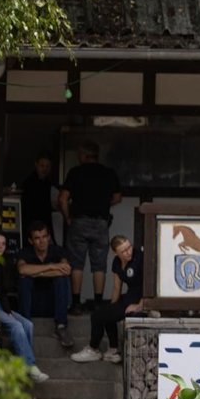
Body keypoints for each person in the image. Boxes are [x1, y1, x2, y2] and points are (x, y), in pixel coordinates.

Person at [58, 140, 122, 314]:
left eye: (79, 154)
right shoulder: (108, 173)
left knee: (77, 263)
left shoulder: (75, 173)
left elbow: (63, 198)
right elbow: (117, 197)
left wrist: (68, 218)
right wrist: (102, 204)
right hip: (101, 222)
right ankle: (99, 303)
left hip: (79, 221)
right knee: (99, 265)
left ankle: (76, 303)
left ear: (84, 155)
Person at [71, 235, 143, 364]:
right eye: (124, 251)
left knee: (97, 316)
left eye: (129, 247)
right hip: (129, 296)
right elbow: (117, 286)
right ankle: (113, 351)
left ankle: (94, 349)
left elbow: (149, 284)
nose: (129, 252)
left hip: (139, 299)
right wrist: (112, 307)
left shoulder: (139, 257)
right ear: (116, 253)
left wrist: (141, 305)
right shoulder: (116, 262)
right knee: (105, 312)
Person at [0, 231, 47, 383]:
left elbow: (3, 292)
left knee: (27, 324)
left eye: (3, 244)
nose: (0, 246)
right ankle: (31, 367)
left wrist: (8, 311)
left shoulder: (1, 264)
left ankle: (22, 366)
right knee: (16, 326)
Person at [16, 221, 74, 350]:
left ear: (49, 237)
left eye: (44, 237)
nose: (41, 241)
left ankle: (61, 327)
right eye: (37, 238)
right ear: (31, 241)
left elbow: (65, 269)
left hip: (54, 304)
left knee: (62, 279)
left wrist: (36, 273)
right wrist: (51, 266)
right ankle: (25, 326)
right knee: (24, 281)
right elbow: (22, 270)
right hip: (32, 305)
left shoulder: (58, 251)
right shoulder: (25, 252)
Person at [19, 150, 58, 242]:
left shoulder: (47, 183)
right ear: (36, 164)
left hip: (44, 224)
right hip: (32, 224)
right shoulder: (29, 183)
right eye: (42, 166)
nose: (45, 169)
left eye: (47, 166)